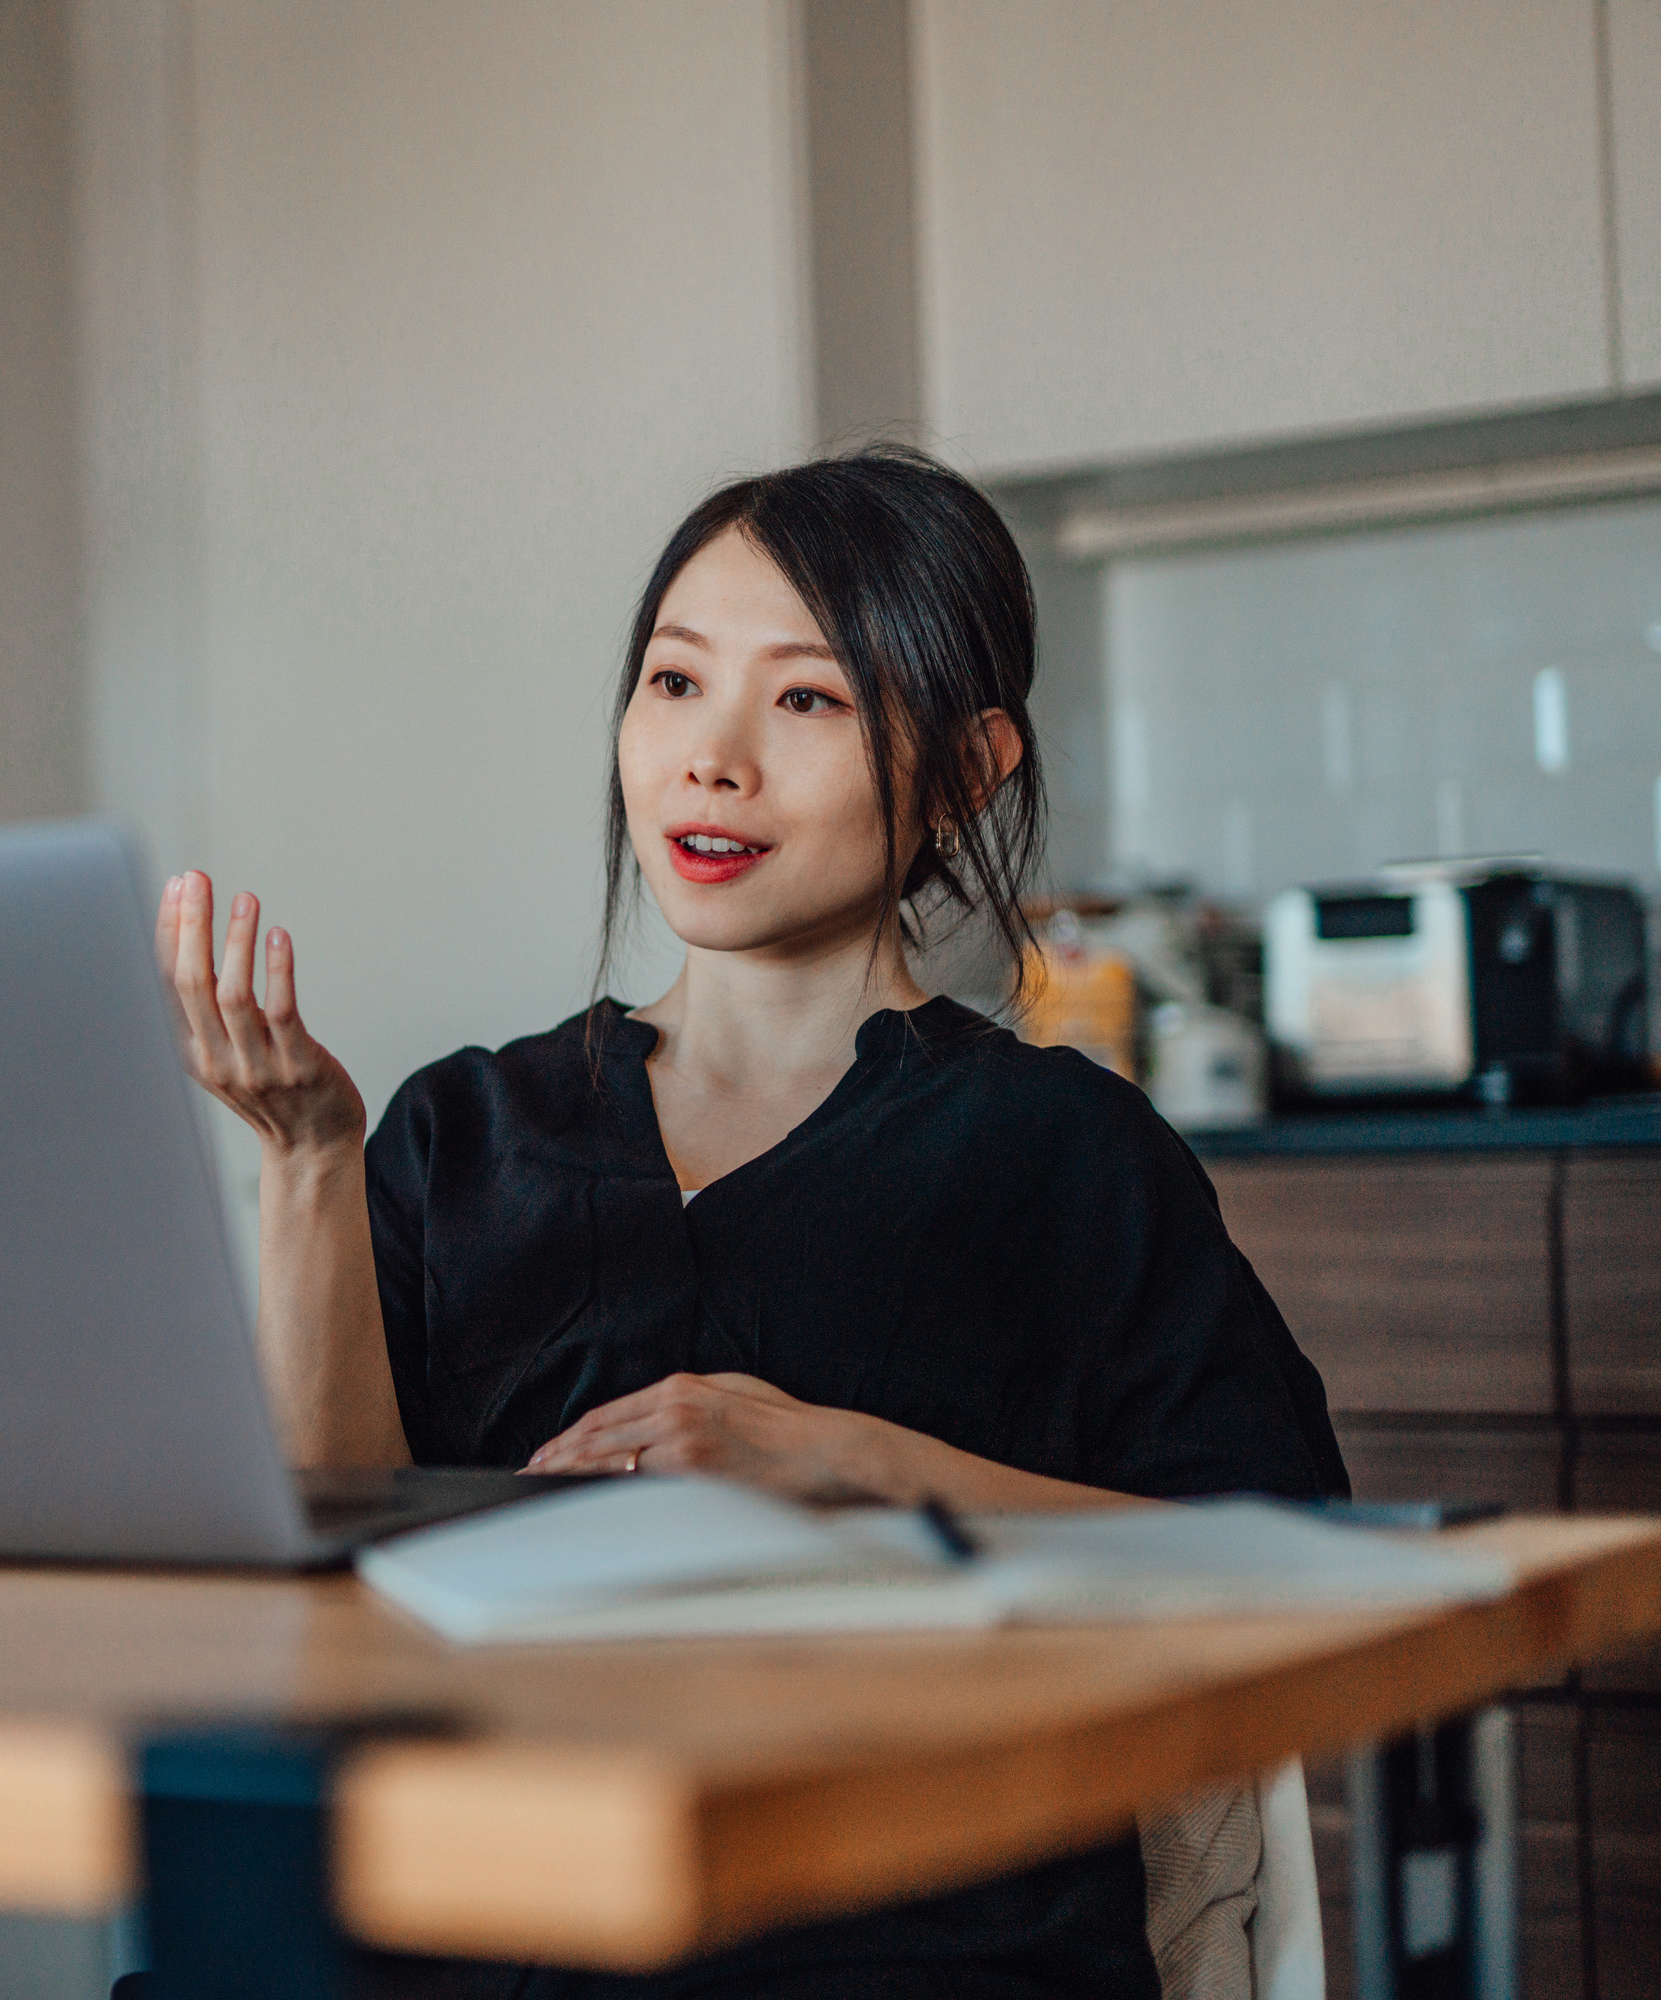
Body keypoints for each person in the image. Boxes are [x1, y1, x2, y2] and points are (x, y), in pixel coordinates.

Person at [151, 446, 1348, 2000]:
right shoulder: (460, 1130)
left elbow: (1292, 1576)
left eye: (809, 701)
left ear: (971, 770)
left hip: (893, 1938)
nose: (709, 761)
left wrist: (860, 1467)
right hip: (463, 1918)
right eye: (671, 683)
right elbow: (324, 1598)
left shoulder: (1066, 1154)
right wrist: (307, 1159)